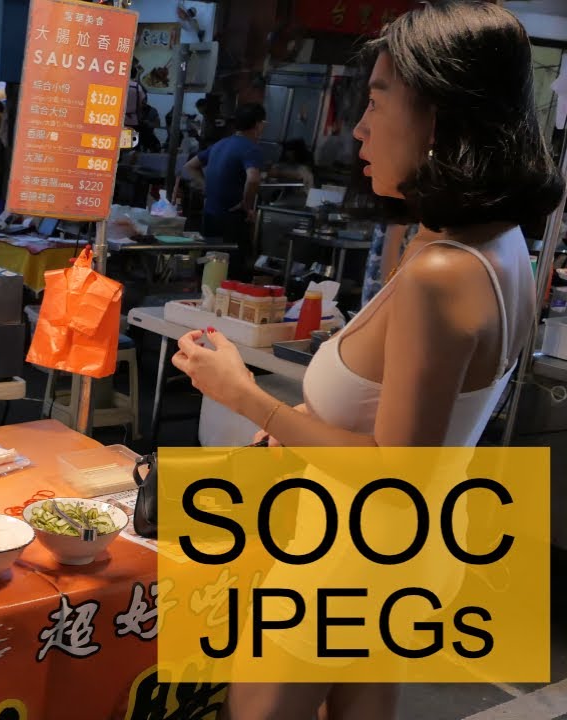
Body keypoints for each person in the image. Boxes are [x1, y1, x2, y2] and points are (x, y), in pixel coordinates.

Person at [171, 3, 564, 718]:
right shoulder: (500, 244)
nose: (358, 127)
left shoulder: (441, 271)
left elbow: (395, 469)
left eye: (379, 98)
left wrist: (245, 396)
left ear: (442, 113)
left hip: (352, 557)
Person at [183, 103, 267, 281]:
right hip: (232, 220)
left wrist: (207, 186)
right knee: (233, 272)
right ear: (259, 125)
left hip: (210, 217)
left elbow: (190, 166)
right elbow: (253, 178)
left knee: (209, 268)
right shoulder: (251, 148)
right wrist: (247, 204)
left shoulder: (221, 144)